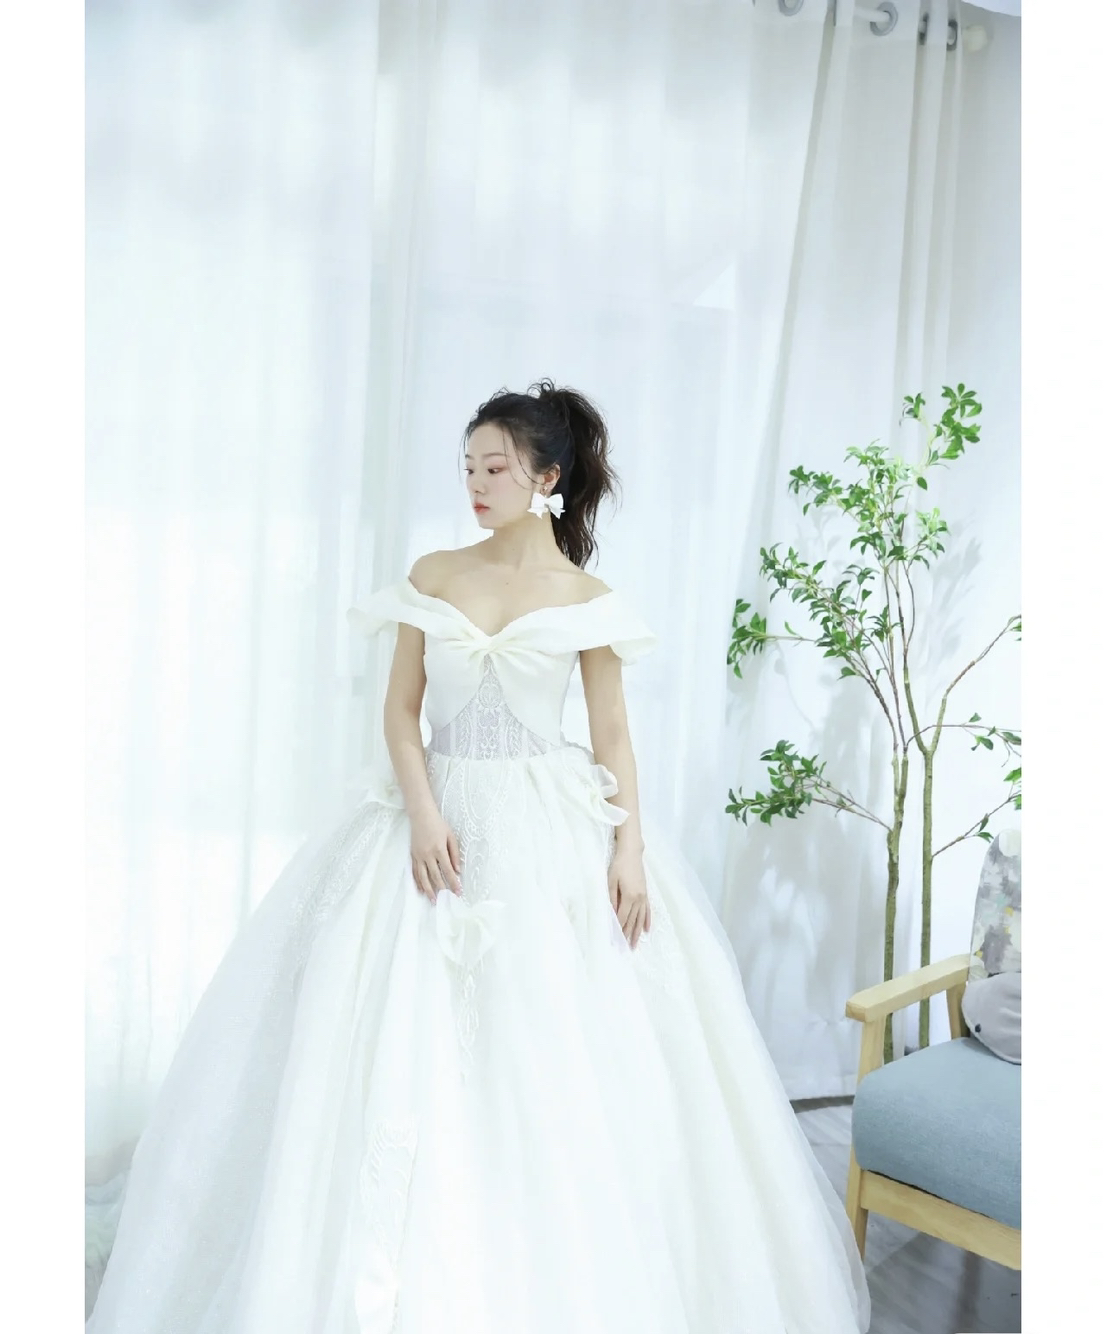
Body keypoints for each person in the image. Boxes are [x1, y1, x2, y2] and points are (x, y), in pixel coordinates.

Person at [88, 379, 872, 1333]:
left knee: (550, 1046)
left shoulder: (587, 599)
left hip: (550, 830)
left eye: (495, 467)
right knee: (388, 1032)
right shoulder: (434, 572)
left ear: (547, 476)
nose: (476, 483)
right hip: (433, 820)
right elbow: (399, 711)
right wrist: (424, 814)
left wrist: (628, 850)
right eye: (468, 466)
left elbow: (613, 737)